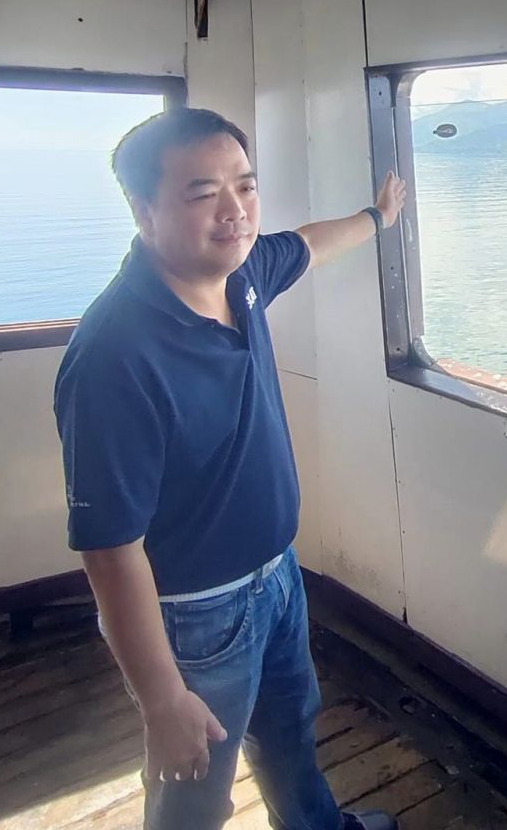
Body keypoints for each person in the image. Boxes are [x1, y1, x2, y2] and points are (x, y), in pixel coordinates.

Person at [55, 106, 406, 830]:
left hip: (277, 575)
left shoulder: (242, 277)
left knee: (290, 734)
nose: (235, 211)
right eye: (202, 193)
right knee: (194, 791)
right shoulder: (115, 354)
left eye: (245, 186)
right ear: (143, 209)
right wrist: (162, 700)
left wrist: (377, 217)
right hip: (197, 614)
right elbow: (109, 550)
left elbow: (309, 244)